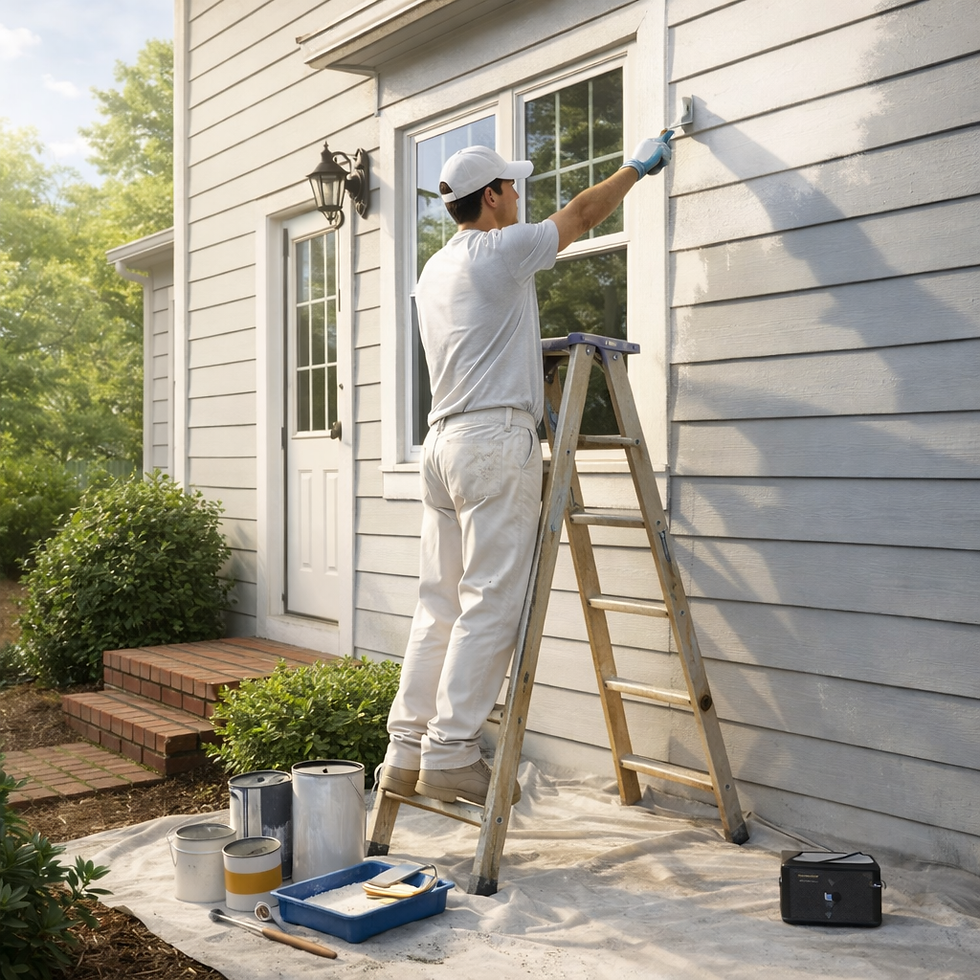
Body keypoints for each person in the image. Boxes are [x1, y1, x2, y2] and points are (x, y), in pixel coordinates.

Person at [379, 133, 673, 806]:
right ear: (490, 199)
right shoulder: (503, 249)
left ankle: (405, 749)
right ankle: (452, 752)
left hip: (441, 444)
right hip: (489, 444)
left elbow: (485, 333)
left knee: (439, 604)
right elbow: (583, 216)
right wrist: (636, 165)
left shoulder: (435, 269)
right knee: (489, 602)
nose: (519, 196)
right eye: (511, 187)